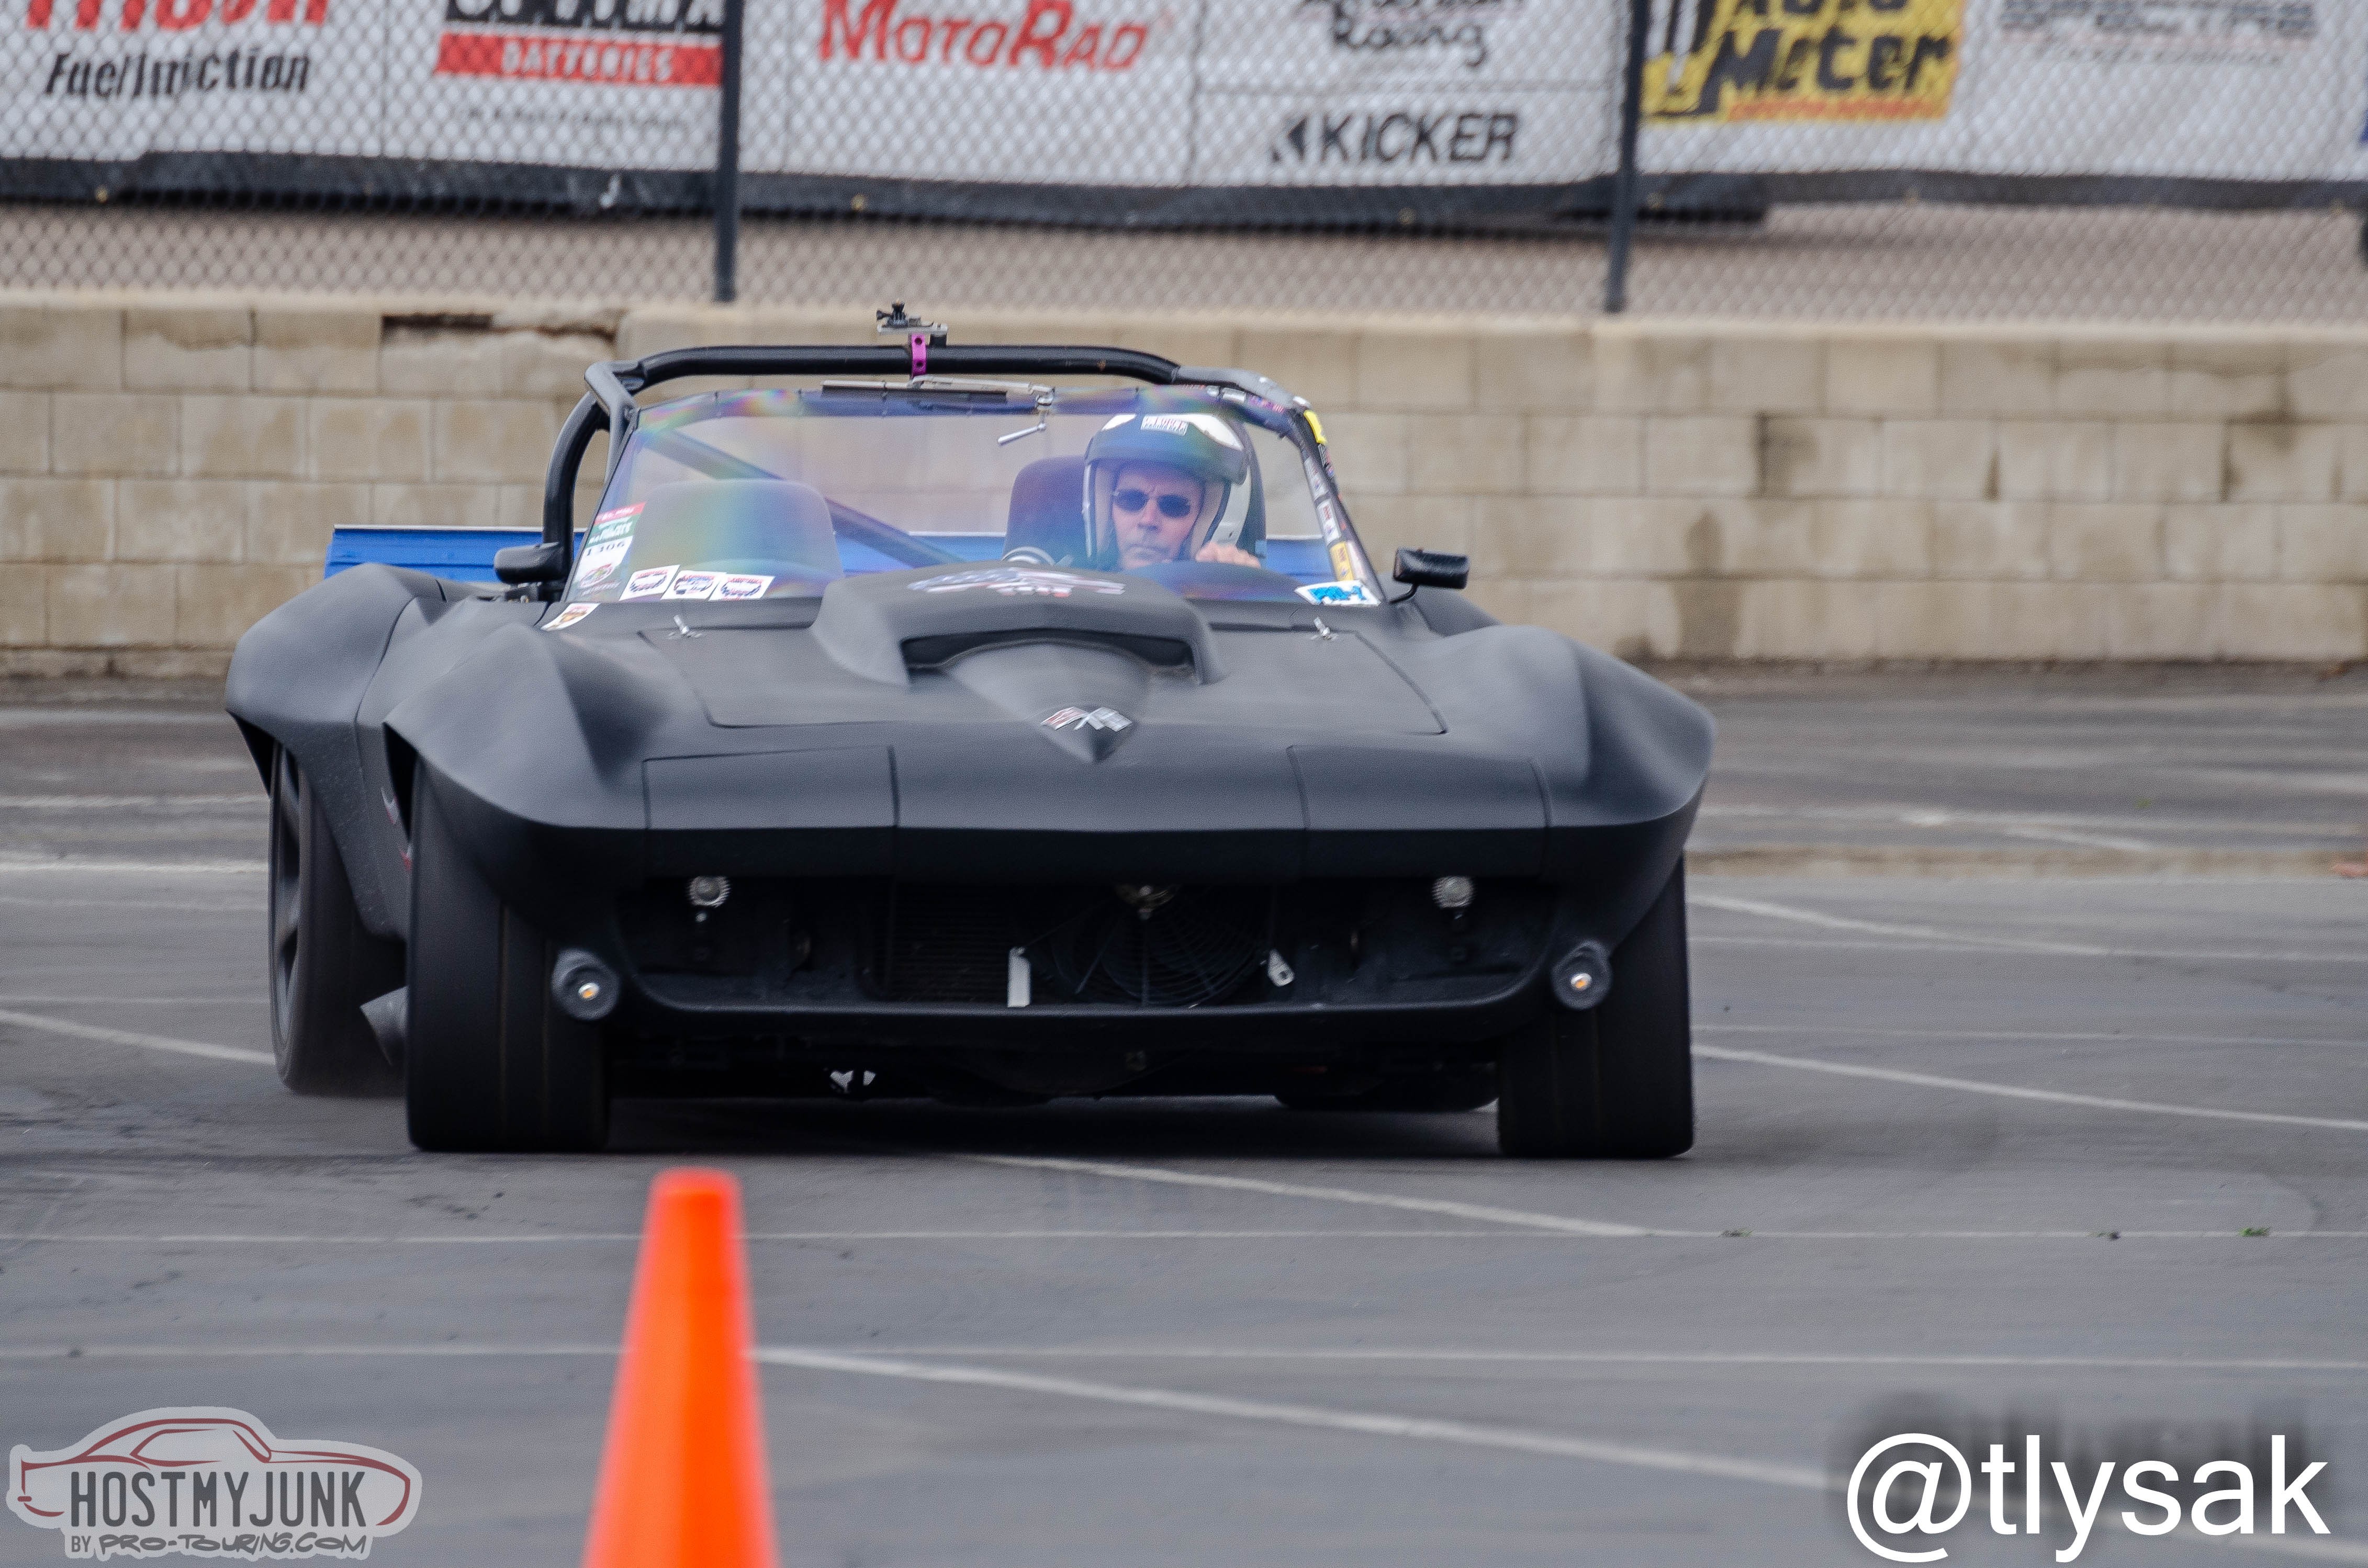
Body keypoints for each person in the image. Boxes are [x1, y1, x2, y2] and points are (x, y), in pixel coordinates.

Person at [1082, 411, 1262, 572]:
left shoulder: (1230, 593)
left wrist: (1238, 590)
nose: (1148, 521)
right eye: (1130, 499)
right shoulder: (1070, 581)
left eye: (1174, 506)